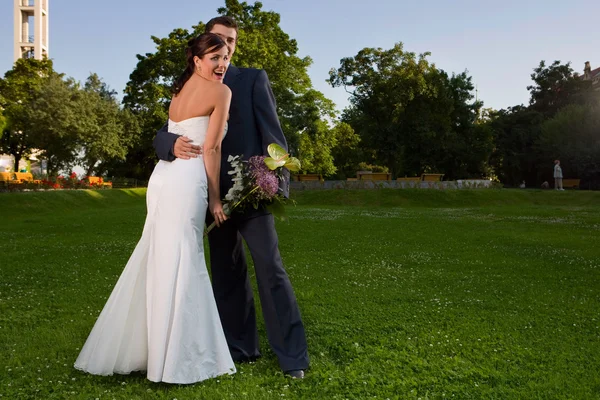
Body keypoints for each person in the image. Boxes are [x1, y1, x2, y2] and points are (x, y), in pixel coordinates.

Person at [153, 16, 309, 379]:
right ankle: (240, 348)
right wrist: (169, 144)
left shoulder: (252, 79)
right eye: (219, 40)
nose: (226, 49)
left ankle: (292, 358)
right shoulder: (190, 82)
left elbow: (274, 135)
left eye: (232, 42)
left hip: (251, 194)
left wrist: (274, 184)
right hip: (207, 195)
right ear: (204, 44)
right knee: (227, 273)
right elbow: (165, 132)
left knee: (271, 269)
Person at [75, 33, 235, 384]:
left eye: (225, 57)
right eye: (214, 58)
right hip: (186, 180)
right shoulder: (221, 92)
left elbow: (172, 135)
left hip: (162, 178)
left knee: (161, 258)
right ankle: (175, 358)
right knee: (183, 258)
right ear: (197, 59)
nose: (222, 64)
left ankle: (154, 351)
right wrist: (215, 197)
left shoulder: (179, 90)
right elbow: (211, 150)